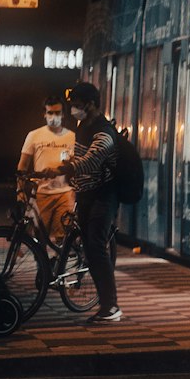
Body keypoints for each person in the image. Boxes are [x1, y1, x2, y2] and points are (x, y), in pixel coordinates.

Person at [60, 81, 121, 323]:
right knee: (89, 247)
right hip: (85, 194)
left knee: (96, 247)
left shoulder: (104, 131)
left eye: (78, 105)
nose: (74, 109)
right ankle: (105, 303)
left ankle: (111, 306)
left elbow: (92, 159)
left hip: (104, 196)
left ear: (92, 105)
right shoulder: (83, 125)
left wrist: (65, 168)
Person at [17, 95, 76, 243]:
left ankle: (58, 264)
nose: (53, 117)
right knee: (40, 237)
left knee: (62, 237)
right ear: (44, 114)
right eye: (50, 113)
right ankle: (42, 266)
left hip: (65, 193)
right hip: (42, 193)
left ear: (63, 114)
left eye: (57, 113)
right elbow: (22, 165)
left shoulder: (72, 137)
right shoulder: (34, 135)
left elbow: (76, 164)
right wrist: (19, 190)